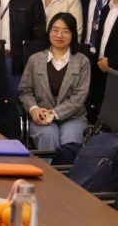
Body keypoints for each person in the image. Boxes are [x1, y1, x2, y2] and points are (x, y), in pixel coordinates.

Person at [18, 13, 91, 152]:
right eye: (55, 30)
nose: (59, 35)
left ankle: (67, 168)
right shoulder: (35, 59)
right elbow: (25, 91)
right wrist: (34, 109)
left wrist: (54, 114)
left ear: (73, 34)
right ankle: (47, 168)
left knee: (70, 138)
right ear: (49, 32)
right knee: (48, 135)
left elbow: (80, 96)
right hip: (41, 117)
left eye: (66, 31)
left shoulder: (82, 61)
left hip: (73, 117)